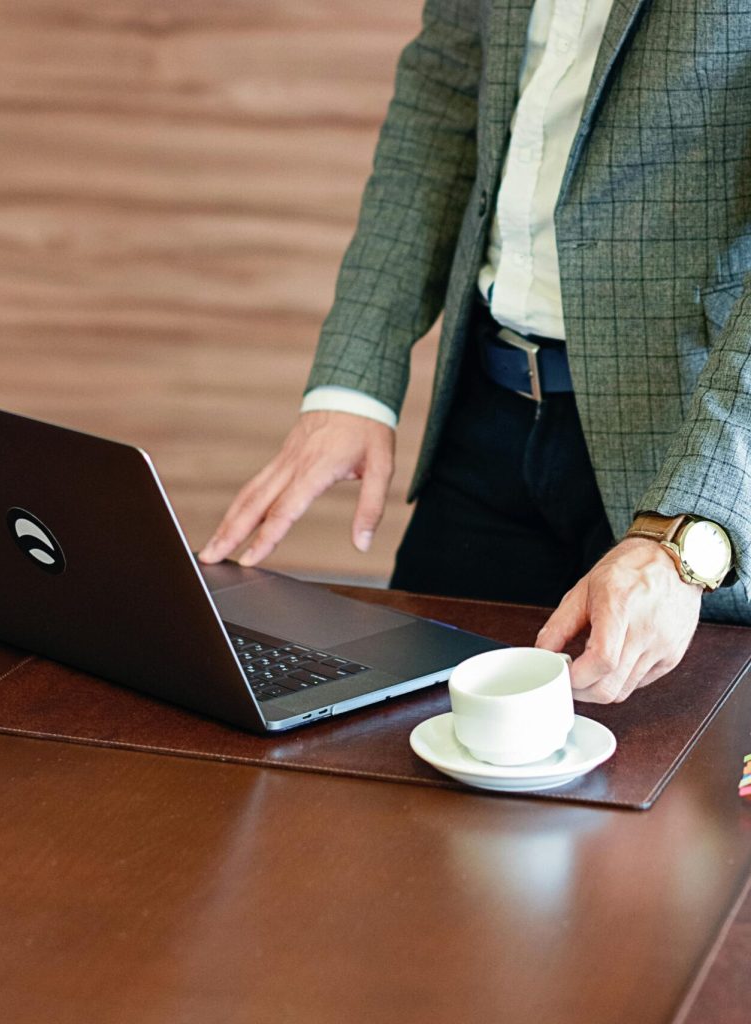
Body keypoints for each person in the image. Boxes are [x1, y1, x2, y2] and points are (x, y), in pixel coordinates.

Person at [199, 0, 751, 703]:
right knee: (397, 743)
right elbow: (445, 88)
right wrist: (352, 380)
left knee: (667, 792)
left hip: (696, 452)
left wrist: (691, 536)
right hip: (488, 415)